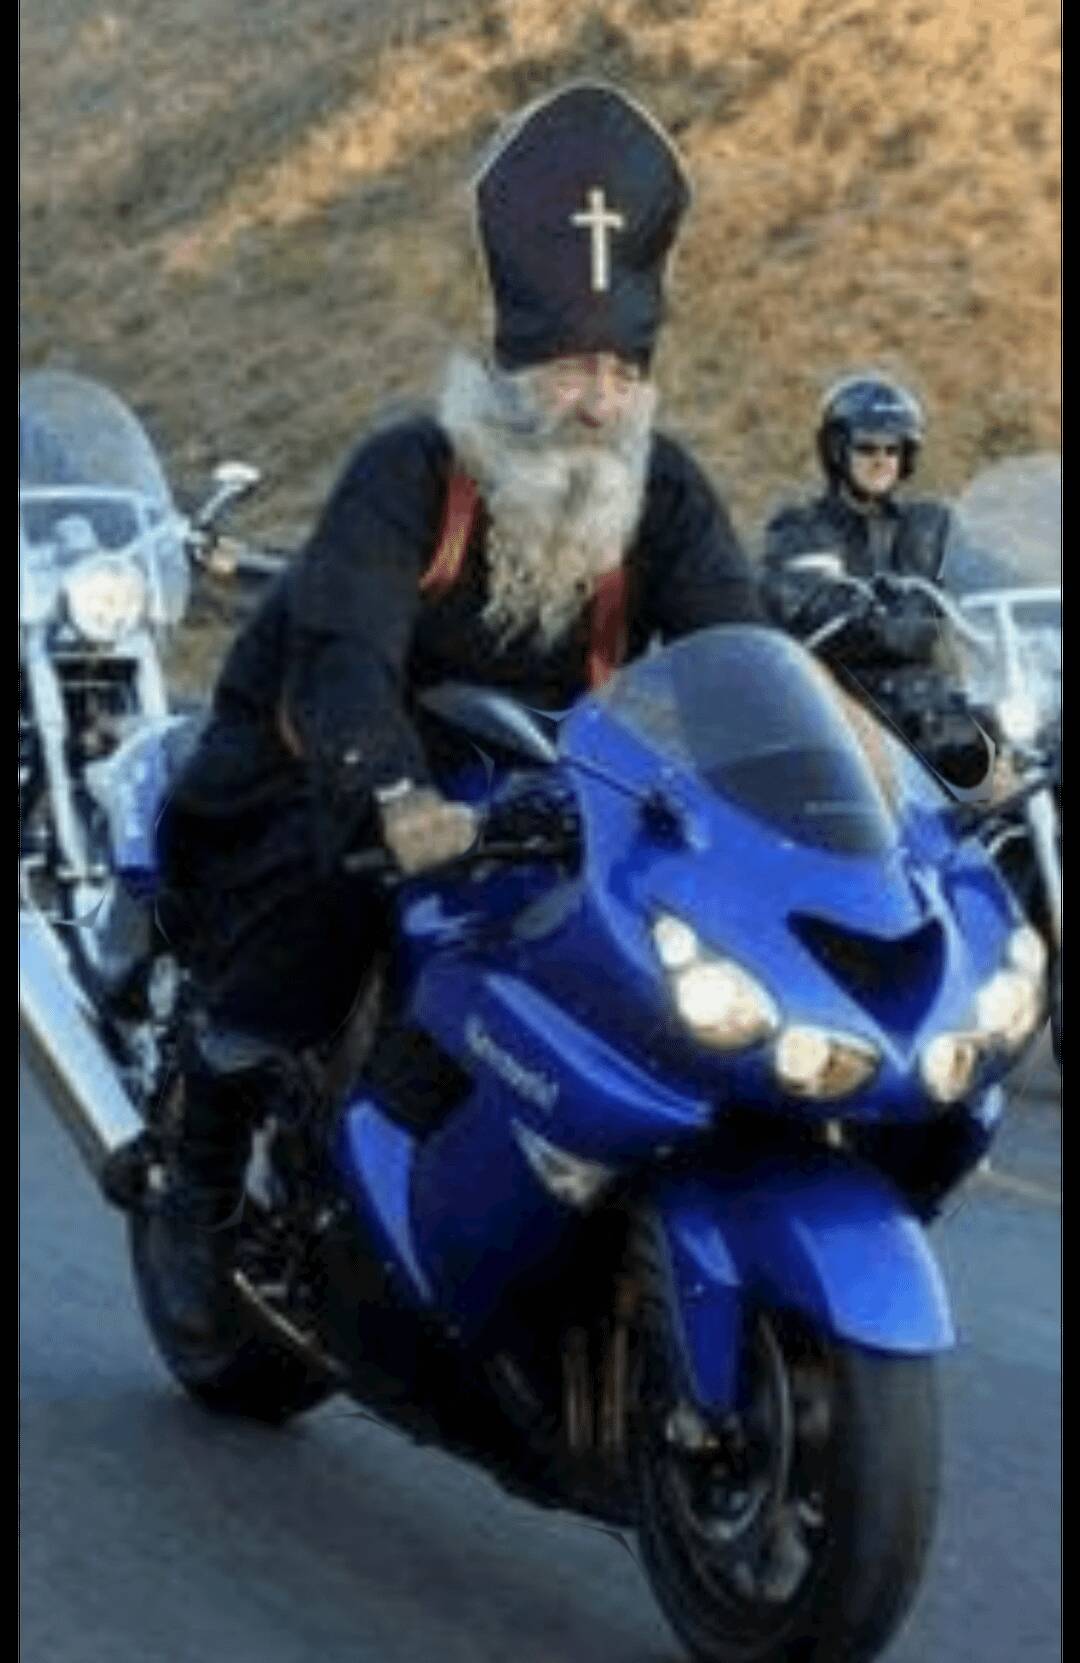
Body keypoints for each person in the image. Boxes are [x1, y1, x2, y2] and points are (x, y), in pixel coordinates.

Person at [141, 82, 765, 1336]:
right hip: (326, 758)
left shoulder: (662, 493)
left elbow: (737, 658)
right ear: (513, 362)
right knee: (325, 900)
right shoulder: (410, 469)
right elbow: (342, 661)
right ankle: (195, 1188)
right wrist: (392, 793)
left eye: (620, 370)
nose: (596, 399)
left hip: (546, 791)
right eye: (571, 366)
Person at [761, 374, 991, 787]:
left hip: (931, 707)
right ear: (837, 451)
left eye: (893, 449)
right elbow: (809, 606)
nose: (881, 459)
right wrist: (889, 621)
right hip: (847, 714)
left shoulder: (930, 525)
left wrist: (1038, 609)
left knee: (1021, 757)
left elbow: (986, 580)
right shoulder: (803, 528)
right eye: (866, 447)